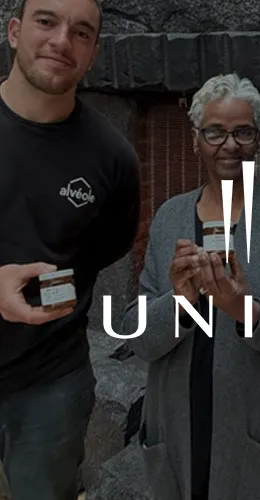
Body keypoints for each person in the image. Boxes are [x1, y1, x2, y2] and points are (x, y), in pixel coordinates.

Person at [120, 73, 260, 500]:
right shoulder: (171, 217)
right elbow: (137, 333)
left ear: (258, 139)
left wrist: (244, 310)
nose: (230, 145)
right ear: (196, 140)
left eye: (243, 132)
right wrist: (180, 303)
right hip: (182, 427)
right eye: (215, 132)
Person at [0, 0, 141, 498]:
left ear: (93, 53)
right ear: (14, 31)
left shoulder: (113, 156)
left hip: (52, 383)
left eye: (81, 32)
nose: (62, 41)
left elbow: (106, 247)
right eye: (46, 21)